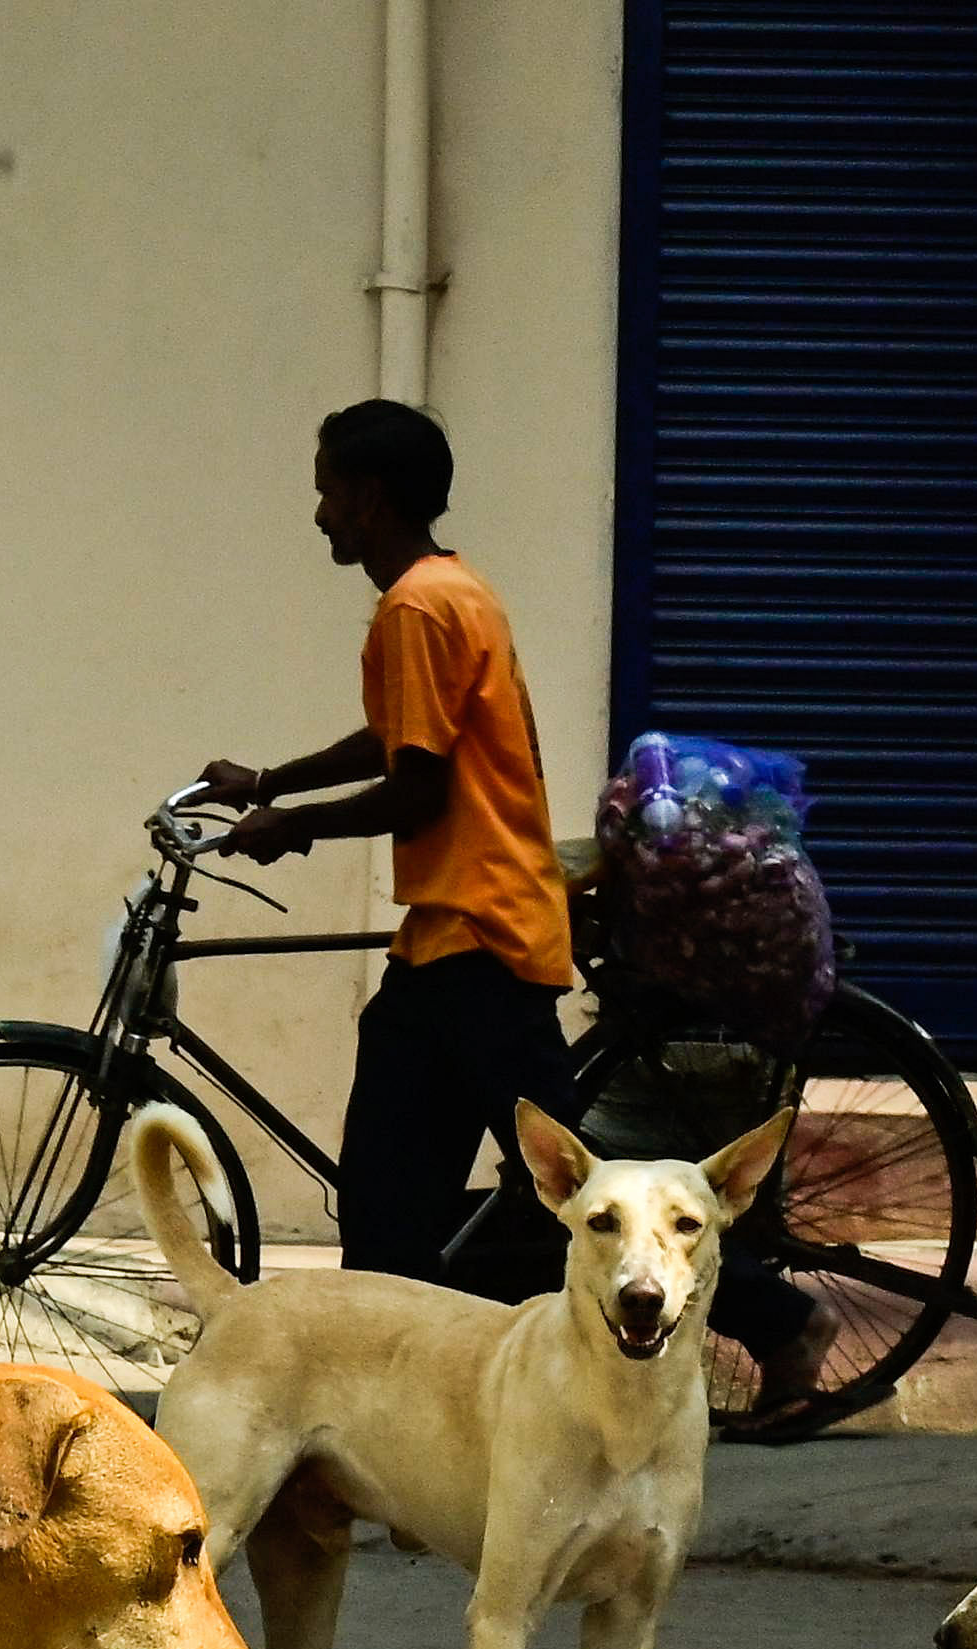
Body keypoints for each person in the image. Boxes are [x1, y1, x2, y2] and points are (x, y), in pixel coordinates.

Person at [199, 399, 812, 1386]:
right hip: (456, 935)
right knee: (397, 1187)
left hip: (479, 939)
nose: (318, 515)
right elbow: (404, 736)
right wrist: (270, 783)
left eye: (326, 493)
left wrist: (290, 828)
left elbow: (419, 782)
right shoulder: (447, 593)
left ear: (367, 496)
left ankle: (776, 1321)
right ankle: (380, 1384)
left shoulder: (416, 607)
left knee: (562, 1189)